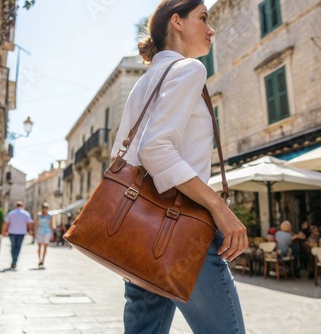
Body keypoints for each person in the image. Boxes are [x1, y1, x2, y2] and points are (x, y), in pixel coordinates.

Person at [110, 1, 248, 332]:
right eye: (203, 18)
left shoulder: (144, 82)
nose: (211, 29)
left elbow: (128, 154)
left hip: (137, 232)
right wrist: (220, 209)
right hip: (181, 231)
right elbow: (156, 149)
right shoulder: (189, 69)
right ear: (177, 22)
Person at [2, 201, 33, 269]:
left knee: (13, 247)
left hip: (12, 232)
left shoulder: (11, 213)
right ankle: (15, 261)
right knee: (18, 247)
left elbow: (6, 223)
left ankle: (13, 260)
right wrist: (30, 230)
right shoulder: (26, 214)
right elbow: (29, 223)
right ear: (22, 206)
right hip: (21, 233)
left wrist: (3, 231)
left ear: (16, 206)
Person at [34, 202, 54, 269]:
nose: (45, 209)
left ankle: (43, 260)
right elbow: (36, 224)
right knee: (39, 246)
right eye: (44, 208)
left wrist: (52, 233)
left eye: (46, 208)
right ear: (42, 208)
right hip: (39, 231)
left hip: (47, 232)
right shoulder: (39, 215)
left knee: (45, 247)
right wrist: (34, 232)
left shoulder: (50, 216)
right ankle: (39, 259)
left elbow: (51, 225)